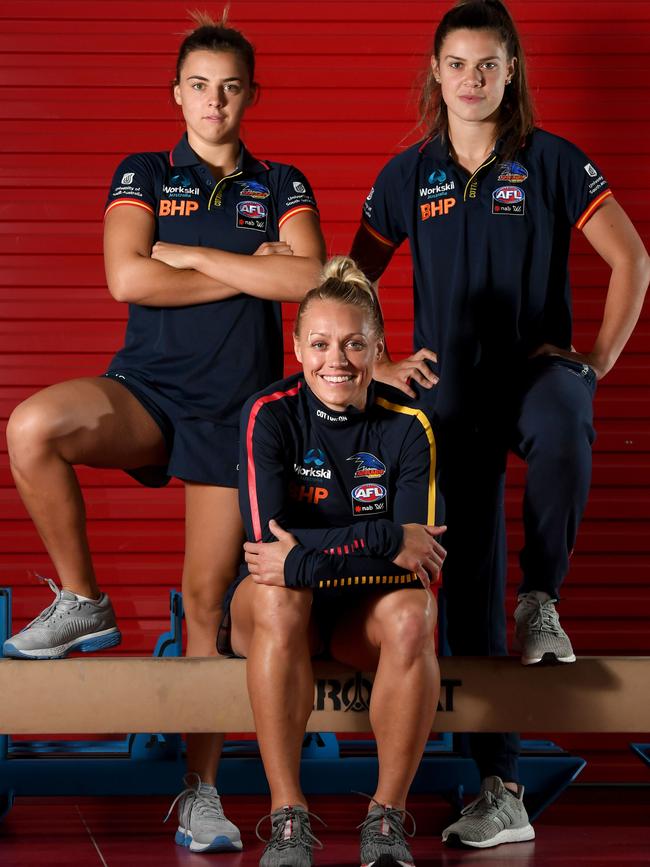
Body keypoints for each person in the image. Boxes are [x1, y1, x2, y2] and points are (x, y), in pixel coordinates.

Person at [3, 10, 325, 854]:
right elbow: (124, 278)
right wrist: (249, 270)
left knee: (208, 606)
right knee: (32, 425)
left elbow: (311, 277)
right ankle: (84, 598)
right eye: (197, 84)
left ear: (251, 93)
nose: (213, 100)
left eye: (229, 86)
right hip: (147, 390)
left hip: (239, 411)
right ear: (175, 92)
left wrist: (189, 257)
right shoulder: (144, 171)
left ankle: (203, 791)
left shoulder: (282, 183)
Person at [350, 0, 650, 850]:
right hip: (448, 400)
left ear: (510, 71)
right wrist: (373, 366)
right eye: (458, 64)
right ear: (435, 73)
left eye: (489, 64)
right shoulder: (409, 176)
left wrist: (593, 359)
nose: (473, 79)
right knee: (466, 589)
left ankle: (543, 598)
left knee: (567, 414)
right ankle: (500, 785)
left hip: (530, 377)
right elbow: (347, 283)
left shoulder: (550, 162)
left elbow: (633, 257)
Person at [220, 256, 446, 867]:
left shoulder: (409, 427)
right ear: (297, 348)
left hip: (356, 620)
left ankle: (386, 816)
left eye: (353, 344)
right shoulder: (269, 414)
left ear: (378, 349)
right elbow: (268, 556)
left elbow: (418, 566)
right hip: (276, 613)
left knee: (412, 612)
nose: (336, 360)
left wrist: (310, 557)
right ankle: (288, 814)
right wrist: (381, 537)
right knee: (277, 594)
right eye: (320, 344)